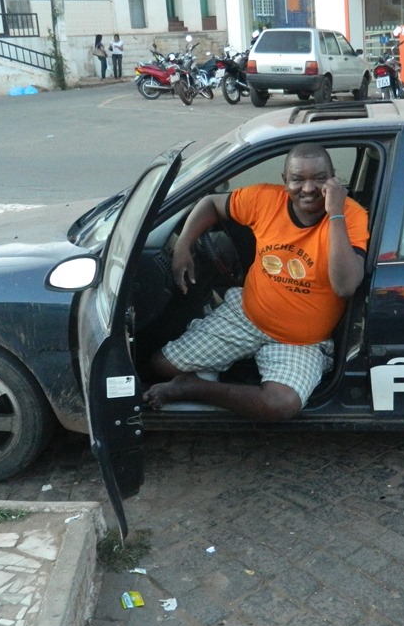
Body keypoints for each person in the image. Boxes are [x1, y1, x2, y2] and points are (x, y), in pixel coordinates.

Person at [143, 143, 369, 421]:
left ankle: (196, 386)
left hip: (301, 342)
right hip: (246, 317)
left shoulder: (351, 214)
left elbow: (345, 286)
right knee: (158, 366)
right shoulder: (265, 199)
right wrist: (183, 246)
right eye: (298, 179)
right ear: (285, 181)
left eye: (319, 178)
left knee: (281, 405)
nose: (308, 188)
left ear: (334, 178)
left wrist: (336, 213)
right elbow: (210, 204)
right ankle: (207, 373)